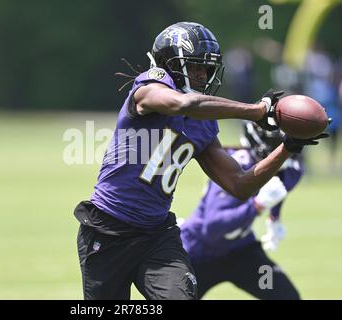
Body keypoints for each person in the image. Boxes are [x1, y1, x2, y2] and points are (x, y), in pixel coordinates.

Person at [73, 21, 327, 300]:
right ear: (169, 63)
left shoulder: (203, 126)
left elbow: (239, 184)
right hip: (108, 228)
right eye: (194, 66)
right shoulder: (147, 88)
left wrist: (287, 147)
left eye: (206, 68)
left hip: (158, 235)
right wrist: (257, 111)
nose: (202, 75)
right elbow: (186, 105)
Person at [179, 121, 303, 299]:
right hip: (198, 254)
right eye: (277, 144)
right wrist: (257, 206)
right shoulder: (237, 164)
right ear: (259, 142)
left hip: (241, 252)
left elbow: (282, 184)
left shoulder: (288, 169)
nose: (282, 151)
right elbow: (213, 226)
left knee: (285, 296)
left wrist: (274, 217)